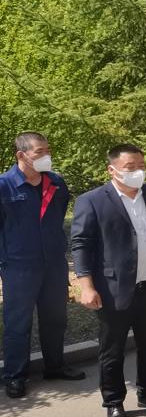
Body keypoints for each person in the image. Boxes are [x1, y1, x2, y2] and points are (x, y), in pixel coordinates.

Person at [71, 144, 146, 417]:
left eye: (141, 166)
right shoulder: (92, 200)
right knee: (112, 350)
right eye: (131, 167)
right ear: (112, 170)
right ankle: (113, 401)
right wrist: (86, 286)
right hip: (113, 289)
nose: (138, 172)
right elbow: (81, 245)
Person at [0, 132, 85, 399]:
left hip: (54, 265)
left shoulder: (56, 183)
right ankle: (15, 376)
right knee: (18, 323)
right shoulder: (4, 186)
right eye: (40, 152)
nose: (46, 156)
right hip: (19, 267)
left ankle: (55, 366)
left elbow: (57, 217)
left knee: (56, 318)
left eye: (48, 150)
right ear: (21, 155)